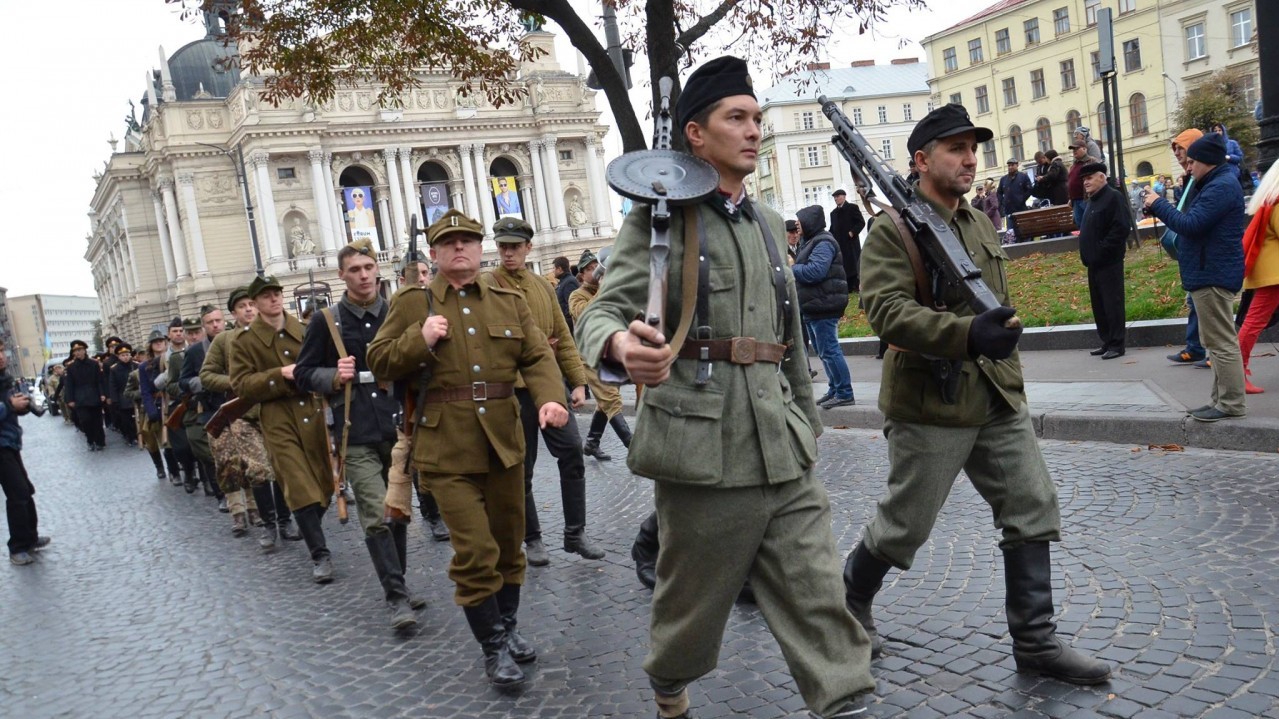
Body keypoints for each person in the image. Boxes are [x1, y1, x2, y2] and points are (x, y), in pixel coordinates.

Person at [575, 55, 876, 719]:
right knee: (691, 608)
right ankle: (669, 690)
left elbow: (787, 336)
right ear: (695, 134)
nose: (752, 131)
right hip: (701, 449)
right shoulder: (661, 219)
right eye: (735, 118)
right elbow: (599, 312)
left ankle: (844, 697)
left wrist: (807, 424)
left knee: (818, 590)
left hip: (780, 444)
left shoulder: (771, 224)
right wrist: (622, 346)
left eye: (756, 118)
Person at [843, 102, 1111, 686]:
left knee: (1032, 505)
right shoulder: (891, 229)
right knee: (904, 525)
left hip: (995, 394)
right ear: (921, 160)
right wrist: (965, 334)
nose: (969, 160)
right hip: (931, 400)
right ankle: (849, 603)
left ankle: (1036, 643)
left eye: (973, 149)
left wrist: (998, 341)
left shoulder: (980, 223)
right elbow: (886, 312)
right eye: (955, 149)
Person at [367, 209, 570, 688]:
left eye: (468, 241)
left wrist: (551, 399)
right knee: (475, 554)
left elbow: (538, 354)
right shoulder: (412, 302)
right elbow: (379, 359)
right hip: (446, 449)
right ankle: (493, 647)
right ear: (434, 254)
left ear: (480, 250)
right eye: (449, 242)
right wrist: (419, 340)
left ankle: (510, 626)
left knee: (507, 548)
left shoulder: (507, 297)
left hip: (503, 441)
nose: (460, 248)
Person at [295, 238, 427, 630]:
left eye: (368, 268)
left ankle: (398, 582)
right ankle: (397, 598)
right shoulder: (327, 321)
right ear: (342, 276)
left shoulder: (395, 311)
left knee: (398, 511)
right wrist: (335, 375)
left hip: (398, 428)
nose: (364, 276)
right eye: (355, 270)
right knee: (374, 513)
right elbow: (304, 373)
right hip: (356, 431)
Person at [489, 216, 603, 566]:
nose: (509, 253)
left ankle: (575, 533)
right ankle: (532, 538)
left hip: (549, 389)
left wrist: (579, 381)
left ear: (528, 248)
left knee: (571, 452)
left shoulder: (542, 287)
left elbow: (564, 337)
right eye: (503, 246)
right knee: (520, 468)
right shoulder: (486, 286)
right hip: (511, 394)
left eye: (515, 247)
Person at [230, 275, 338, 583]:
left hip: (313, 412)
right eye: (266, 296)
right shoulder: (245, 342)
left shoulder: (305, 331)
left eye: (277, 293)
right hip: (277, 418)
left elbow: (324, 366)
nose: (273, 299)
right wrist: (280, 374)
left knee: (323, 485)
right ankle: (320, 554)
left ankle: (308, 525)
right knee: (298, 483)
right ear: (256, 303)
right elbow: (242, 384)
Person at [1144, 133, 1247, 422]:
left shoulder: (1221, 186)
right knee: (1214, 342)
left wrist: (1158, 204)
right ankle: (1219, 399)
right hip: (1209, 271)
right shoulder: (1216, 183)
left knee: (1221, 343)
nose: (1188, 168)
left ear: (1207, 162)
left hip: (1212, 273)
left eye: (1192, 162)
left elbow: (1191, 224)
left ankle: (1231, 403)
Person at [203, 287, 299, 548]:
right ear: (233, 312)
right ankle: (268, 525)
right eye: (241, 306)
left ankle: (284, 520)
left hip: (275, 410)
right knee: (258, 470)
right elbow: (207, 375)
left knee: (280, 468)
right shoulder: (224, 341)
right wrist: (236, 383)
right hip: (245, 415)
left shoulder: (273, 332)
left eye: (250, 304)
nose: (248, 309)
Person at [379, 256, 452, 541]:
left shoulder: (439, 303)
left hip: (441, 395)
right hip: (407, 397)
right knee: (413, 458)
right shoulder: (396, 308)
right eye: (416, 274)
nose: (422, 278)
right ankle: (430, 514)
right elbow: (386, 357)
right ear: (401, 281)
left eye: (426, 272)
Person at [567, 249, 632, 460]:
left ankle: (592, 443)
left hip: (611, 353)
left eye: (597, 267)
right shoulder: (576, 295)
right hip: (590, 356)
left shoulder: (611, 291)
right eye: (590, 269)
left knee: (606, 400)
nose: (595, 272)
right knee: (612, 400)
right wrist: (603, 292)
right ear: (582, 274)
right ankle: (636, 450)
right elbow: (584, 314)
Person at [794, 205, 854, 408]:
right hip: (814, 305)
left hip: (824, 305)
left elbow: (815, 271)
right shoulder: (810, 241)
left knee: (830, 350)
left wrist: (791, 267)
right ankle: (835, 388)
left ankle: (845, 392)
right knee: (823, 351)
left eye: (799, 220)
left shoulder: (823, 242)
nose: (796, 225)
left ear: (809, 221)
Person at [1, 340, 49, 566]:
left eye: (1, 351)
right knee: (18, 493)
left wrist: (23, 405)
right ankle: (17, 547)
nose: (1, 356)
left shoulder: (5, 380)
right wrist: (10, 406)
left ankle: (29, 538)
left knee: (25, 489)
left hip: (10, 442)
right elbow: (5, 408)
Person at [1163, 128, 1207, 365]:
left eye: (1182, 147)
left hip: (1204, 256)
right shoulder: (1190, 180)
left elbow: (1192, 219)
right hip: (1192, 253)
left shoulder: (1204, 181)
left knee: (1203, 303)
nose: (1178, 153)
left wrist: (1161, 206)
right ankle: (1196, 347)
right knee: (1194, 301)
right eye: (1176, 149)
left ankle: (1205, 350)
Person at [1077, 162, 1129, 359]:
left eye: (1089, 178)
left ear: (1102, 177)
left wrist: (1101, 250)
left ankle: (1117, 344)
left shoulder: (1113, 197)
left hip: (1109, 262)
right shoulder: (1093, 200)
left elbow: (1120, 229)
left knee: (1112, 303)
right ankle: (1107, 341)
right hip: (1094, 263)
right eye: (1084, 179)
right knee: (1099, 306)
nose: (1085, 182)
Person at [1237, 161, 1279, 394]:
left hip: (1269, 272)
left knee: (1253, 322)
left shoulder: (1269, 199)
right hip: (1274, 275)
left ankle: (1235, 372)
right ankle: (1236, 373)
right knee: (1253, 323)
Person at [181, 307, 227, 503]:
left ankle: (251, 505)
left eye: (218, 320)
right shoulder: (194, 351)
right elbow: (183, 381)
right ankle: (222, 495)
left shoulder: (237, 341)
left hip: (238, 405)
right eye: (210, 322)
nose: (215, 325)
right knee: (213, 456)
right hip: (210, 408)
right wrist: (201, 382)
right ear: (204, 326)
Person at [62, 339, 106, 451]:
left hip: (94, 395)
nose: (77, 352)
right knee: (85, 421)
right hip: (80, 398)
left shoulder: (94, 363)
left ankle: (100, 441)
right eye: (75, 351)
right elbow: (69, 384)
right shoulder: (71, 367)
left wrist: (102, 393)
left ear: (85, 350)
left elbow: (99, 381)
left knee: (97, 421)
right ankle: (90, 440)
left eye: (80, 350)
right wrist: (70, 399)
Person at [829, 189, 865, 292]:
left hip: (851, 242)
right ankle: (847, 286)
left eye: (838, 196)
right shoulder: (833, 213)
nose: (836, 199)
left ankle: (856, 285)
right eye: (834, 197)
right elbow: (832, 228)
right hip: (839, 244)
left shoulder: (852, 208)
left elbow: (861, 222)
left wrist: (852, 232)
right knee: (843, 264)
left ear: (844, 196)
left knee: (854, 263)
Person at [106, 343, 139, 446]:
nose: (125, 357)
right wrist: (115, 400)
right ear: (118, 356)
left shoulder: (136, 365)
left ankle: (140, 436)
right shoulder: (114, 369)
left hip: (137, 395)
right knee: (126, 420)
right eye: (122, 355)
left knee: (139, 418)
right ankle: (130, 437)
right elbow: (113, 385)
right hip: (123, 397)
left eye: (127, 354)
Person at [998, 158, 1033, 232]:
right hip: (1009, 210)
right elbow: (999, 192)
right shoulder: (1003, 179)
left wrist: (1022, 199)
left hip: (1021, 209)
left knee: (1023, 231)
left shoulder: (1023, 177)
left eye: (1012, 165)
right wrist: (1002, 202)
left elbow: (1029, 190)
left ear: (1017, 165)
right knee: (1010, 233)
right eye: (1009, 165)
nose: (1010, 167)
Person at [552, 256, 579, 334]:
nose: (552, 271)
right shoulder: (563, 282)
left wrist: (564, 324)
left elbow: (570, 306)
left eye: (554, 268)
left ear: (559, 269)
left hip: (569, 327)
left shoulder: (569, 282)